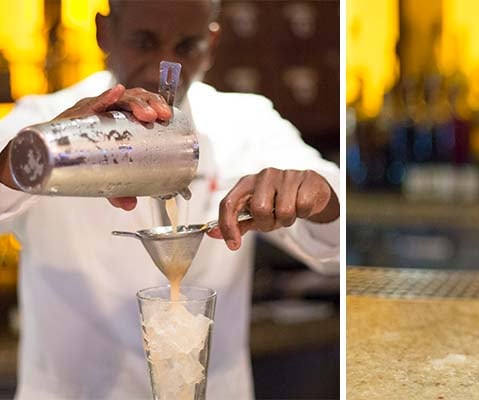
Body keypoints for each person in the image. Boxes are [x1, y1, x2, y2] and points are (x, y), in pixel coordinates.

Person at [0, 1, 340, 398]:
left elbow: (336, 239)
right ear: (104, 33)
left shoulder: (247, 123)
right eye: (144, 42)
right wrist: (34, 155)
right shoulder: (41, 120)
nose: (166, 66)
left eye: (187, 46)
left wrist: (320, 197)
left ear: (211, 43)